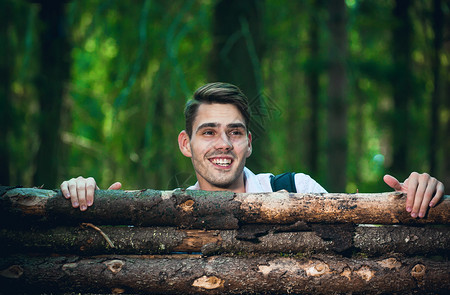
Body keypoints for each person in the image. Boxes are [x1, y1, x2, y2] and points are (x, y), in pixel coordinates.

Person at [61, 82, 445, 219]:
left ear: (249, 143)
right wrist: (88, 205)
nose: (223, 144)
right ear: (185, 144)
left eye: (235, 132)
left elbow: (368, 244)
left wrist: (415, 197)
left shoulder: (298, 188)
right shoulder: (166, 214)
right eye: (208, 132)